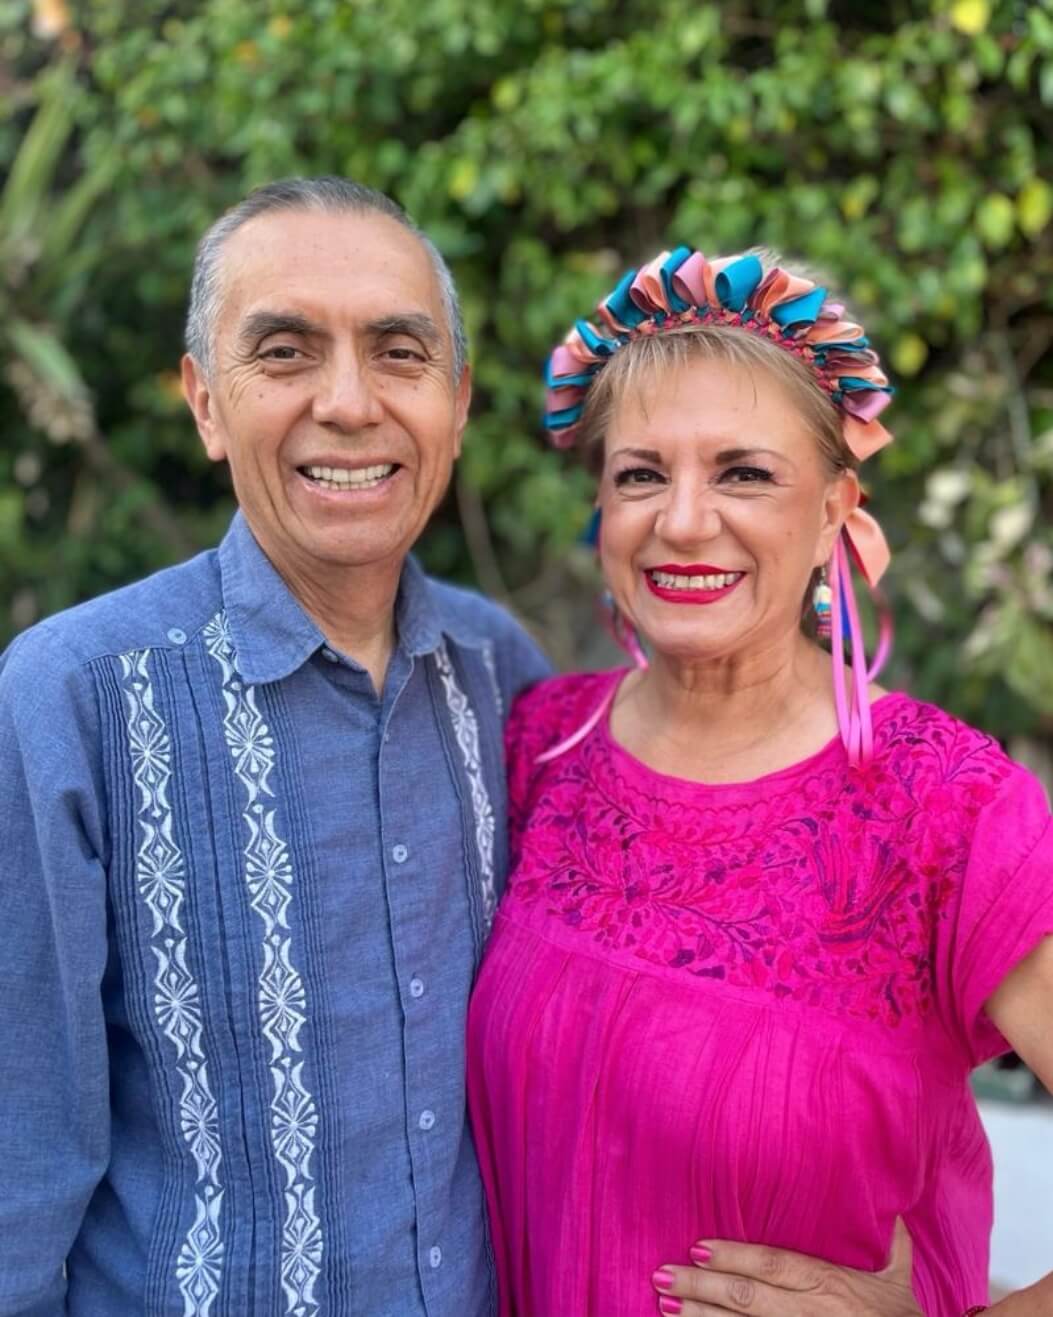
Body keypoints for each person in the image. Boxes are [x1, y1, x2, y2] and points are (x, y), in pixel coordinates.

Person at [466, 246, 1053, 1316]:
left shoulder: (945, 805)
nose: (684, 520)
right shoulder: (539, 746)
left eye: (743, 472)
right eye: (641, 474)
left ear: (834, 508)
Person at [0, 177, 550, 1316]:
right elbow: (20, 1154)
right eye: (286, 352)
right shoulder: (72, 700)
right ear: (207, 404)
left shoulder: (502, 674)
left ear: (455, 403)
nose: (347, 403)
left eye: (399, 353)